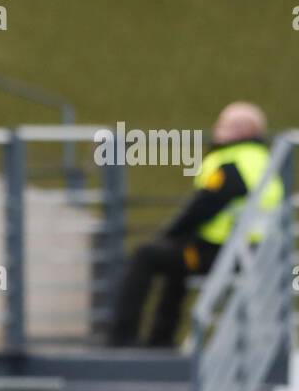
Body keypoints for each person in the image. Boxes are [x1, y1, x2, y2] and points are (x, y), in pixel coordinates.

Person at [109, 101, 278, 347]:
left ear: (241, 131)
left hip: (225, 253)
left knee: (146, 256)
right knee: (175, 259)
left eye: (222, 124)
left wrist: (168, 234)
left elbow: (204, 207)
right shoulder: (262, 160)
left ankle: (121, 338)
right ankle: (160, 341)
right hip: (251, 252)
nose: (216, 129)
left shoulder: (234, 162)